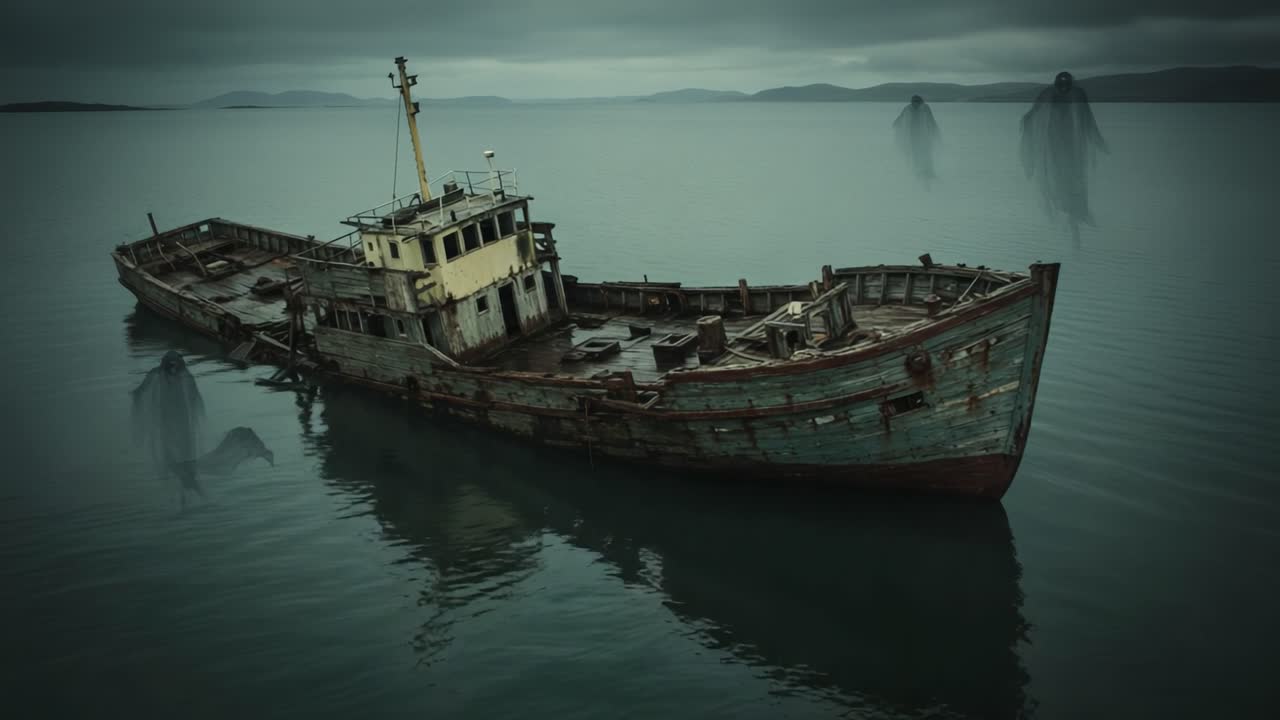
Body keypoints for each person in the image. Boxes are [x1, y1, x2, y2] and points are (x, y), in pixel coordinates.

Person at [1019, 71, 1109, 237]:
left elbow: (1088, 119)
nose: (1064, 88)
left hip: (1071, 142)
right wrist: (1027, 120)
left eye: (1066, 84)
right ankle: (1071, 214)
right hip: (1055, 141)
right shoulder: (1048, 94)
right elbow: (1033, 113)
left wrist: (1099, 142)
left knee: (1072, 174)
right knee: (1059, 174)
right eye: (1061, 85)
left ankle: (1074, 213)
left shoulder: (1078, 94)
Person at [893, 94, 941, 185]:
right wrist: (896, 123)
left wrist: (934, 130)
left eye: (917, 103)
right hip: (913, 135)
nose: (915, 105)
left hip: (924, 134)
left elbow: (931, 120)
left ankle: (929, 171)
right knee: (915, 153)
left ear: (920, 102)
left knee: (926, 152)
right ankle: (918, 172)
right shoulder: (908, 108)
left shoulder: (925, 108)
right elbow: (900, 117)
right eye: (913, 103)